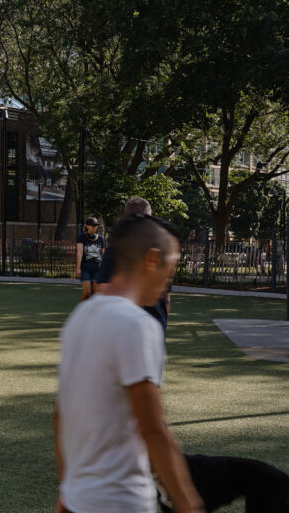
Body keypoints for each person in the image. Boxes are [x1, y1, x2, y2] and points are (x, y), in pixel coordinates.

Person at [55, 215, 204, 513]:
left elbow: (60, 416)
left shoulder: (80, 316)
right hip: (121, 501)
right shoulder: (138, 324)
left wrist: (67, 493)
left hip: (78, 500)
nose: (168, 280)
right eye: (170, 268)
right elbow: (152, 429)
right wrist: (188, 505)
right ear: (152, 260)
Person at [98, 197, 171, 334]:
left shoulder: (116, 248)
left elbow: (104, 289)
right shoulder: (164, 250)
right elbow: (167, 298)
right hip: (155, 327)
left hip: (124, 328)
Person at [75, 216, 105, 301]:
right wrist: (78, 269)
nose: (95, 227)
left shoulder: (101, 238)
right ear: (87, 226)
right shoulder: (82, 237)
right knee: (87, 293)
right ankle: (82, 313)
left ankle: (93, 313)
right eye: (93, 225)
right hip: (85, 268)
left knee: (95, 295)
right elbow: (79, 252)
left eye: (96, 225)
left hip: (97, 268)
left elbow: (103, 254)